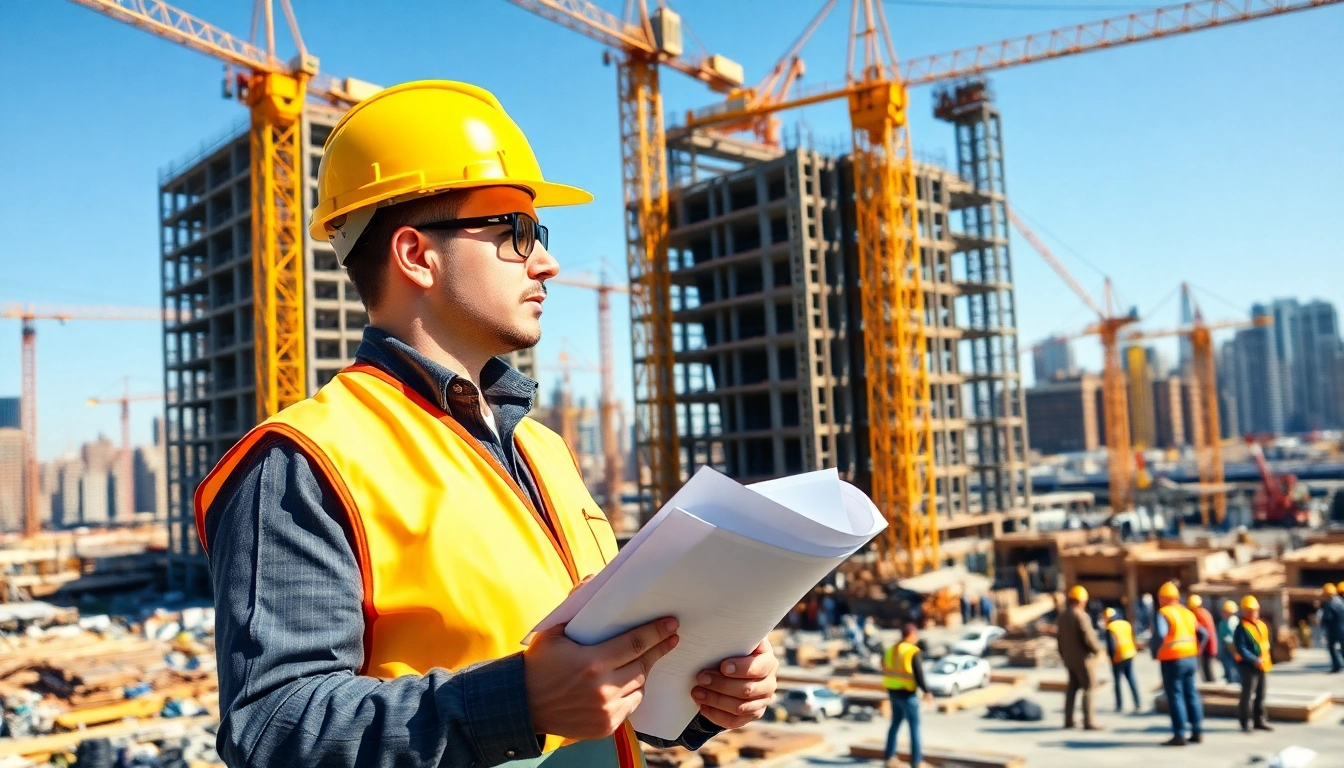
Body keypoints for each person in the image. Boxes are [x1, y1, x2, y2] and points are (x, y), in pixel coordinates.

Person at [198, 80, 779, 768]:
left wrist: (695, 696)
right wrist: (519, 703)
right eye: (515, 232)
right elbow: (272, 729)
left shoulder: (541, 449)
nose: (547, 262)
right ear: (417, 254)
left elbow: (590, 688)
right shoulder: (305, 461)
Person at [1152, 582, 1207, 746]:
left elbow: (1160, 635)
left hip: (1172, 659)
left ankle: (1179, 734)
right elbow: (1203, 634)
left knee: (1175, 696)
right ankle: (1197, 731)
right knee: (1191, 693)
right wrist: (1197, 649)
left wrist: (1156, 651)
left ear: (1162, 598)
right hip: (1190, 658)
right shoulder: (1188, 613)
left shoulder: (1163, 613)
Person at [883, 623, 933, 768]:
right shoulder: (912, 651)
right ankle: (917, 761)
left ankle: (889, 757)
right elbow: (919, 674)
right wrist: (927, 691)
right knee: (914, 727)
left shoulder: (891, 650)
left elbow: (885, 668)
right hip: (907, 694)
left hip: (893, 692)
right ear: (911, 635)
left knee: (895, 724)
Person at [1057, 585, 1104, 730]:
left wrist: (1064, 656)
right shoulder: (1081, 616)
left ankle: (1068, 719)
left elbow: (1059, 640)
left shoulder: (1062, 616)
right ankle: (1088, 720)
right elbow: (1088, 638)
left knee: (1072, 688)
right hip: (1083, 659)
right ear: (1080, 601)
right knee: (1089, 688)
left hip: (1069, 659)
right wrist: (1097, 650)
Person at [1232, 596, 1274, 733]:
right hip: (1248, 666)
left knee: (1261, 694)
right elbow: (1241, 648)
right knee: (1247, 695)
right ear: (1243, 611)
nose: (1252, 613)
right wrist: (1253, 659)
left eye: (1254, 610)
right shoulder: (1241, 628)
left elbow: (1266, 643)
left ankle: (1259, 720)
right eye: (1249, 610)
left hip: (1263, 665)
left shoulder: (1261, 625)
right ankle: (1245, 722)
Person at [1103, 608, 1141, 713]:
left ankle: (1119, 705)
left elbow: (1111, 645)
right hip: (1130, 653)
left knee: (1117, 681)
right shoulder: (1126, 624)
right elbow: (1133, 638)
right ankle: (1137, 702)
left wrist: (1112, 658)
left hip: (1118, 656)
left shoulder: (1110, 627)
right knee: (1131, 678)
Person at [1188, 595, 1218, 683]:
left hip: (1207, 647)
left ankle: (1213, 691)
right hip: (1211, 645)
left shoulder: (1198, 614)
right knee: (1208, 670)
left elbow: (1204, 633)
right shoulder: (1205, 612)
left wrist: (1199, 647)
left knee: (1208, 671)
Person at [1217, 600, 1242, 685]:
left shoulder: (1233, 622)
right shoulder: (1224, 623)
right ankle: (1230, 679)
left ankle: (1234, 681)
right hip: (1226, 648)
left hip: (1232, 648)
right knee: (1228, 666)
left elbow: (1231, 638)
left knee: (1232, 666)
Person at [1321, 583, 1344, 673]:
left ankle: (1337, 665)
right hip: (1342, 628)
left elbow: (1327, 617)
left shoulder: (1330, 603)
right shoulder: (1341, 602)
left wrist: (1323, 624)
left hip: (1334, 629)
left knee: (1332, 647)